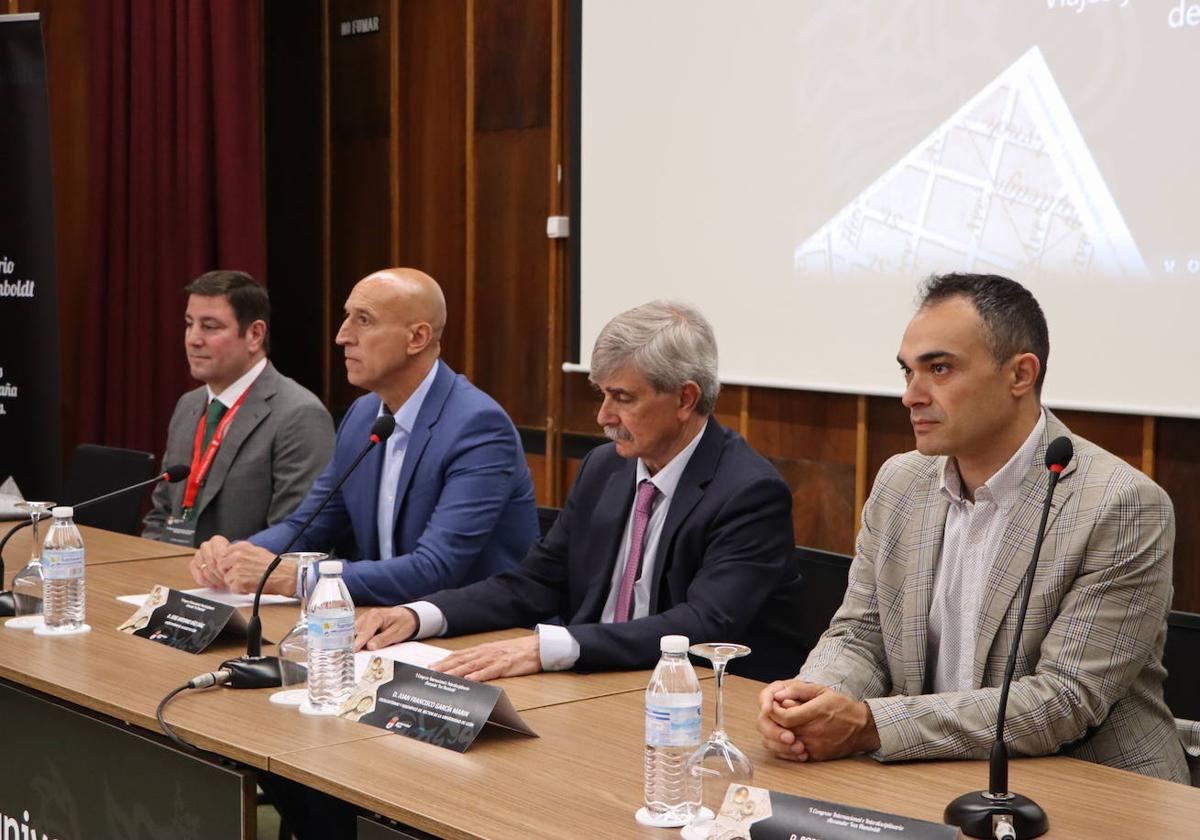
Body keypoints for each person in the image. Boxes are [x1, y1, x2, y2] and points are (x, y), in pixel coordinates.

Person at [757, 273, 1188, 783]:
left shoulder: (1119, 505)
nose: (911, 396)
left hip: (1090, 786)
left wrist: (871, 725)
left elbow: (1065, 699)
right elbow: (861, 632)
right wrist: (811, 697)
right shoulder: (902, 481)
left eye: (939, 369)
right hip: (931, 770)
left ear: (1021, 375)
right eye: (907, 372)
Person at [354, 300, 806, 682]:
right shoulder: (604, 467)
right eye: (601, 395)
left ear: (685, 399)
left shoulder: (748, 492)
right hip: (596, 682)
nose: (603, 416)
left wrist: (548, 648)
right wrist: (419, 615)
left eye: (623, 398)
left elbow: (703, 624)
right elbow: (537, 581)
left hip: (698, 697)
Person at [190, 268, 538, 605]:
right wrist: (234, 556)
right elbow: (309, 525)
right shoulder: (362, 417)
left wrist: (293, 577)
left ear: (417, 338)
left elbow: (437, 568)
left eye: (364, 320)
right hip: (386, 620)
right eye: (346, 317)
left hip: (477, 632)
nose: (342, 336)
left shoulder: (477, 426)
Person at [142, 271, 333, 547]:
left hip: (243, 585)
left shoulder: (299, 414)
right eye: (189, 324)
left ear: (255, 334)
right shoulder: (189, 405)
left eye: (210, 327)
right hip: (172, 577)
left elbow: (296, 536)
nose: (193, 339)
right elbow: (161, 513)